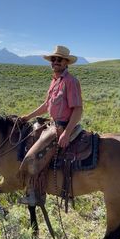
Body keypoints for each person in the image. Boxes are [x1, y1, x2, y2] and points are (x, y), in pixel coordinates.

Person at [19, 45, 83, 206]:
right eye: (53, 59)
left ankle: (35, 194)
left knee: (32, 156)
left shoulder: (70, 81)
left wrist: (66, 133)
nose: (55, 62)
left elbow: (78, 109)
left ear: (66, 62)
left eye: (59, 59)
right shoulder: (55, 81)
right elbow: (46, 105)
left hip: (62, 127)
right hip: (53, 123)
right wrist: (28, 116)